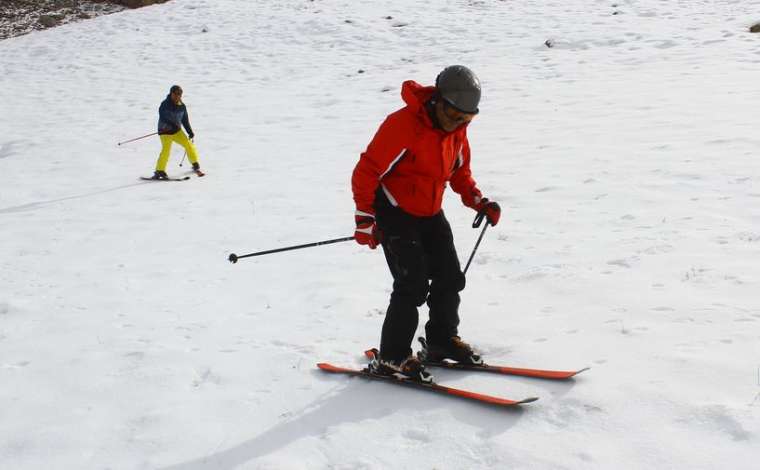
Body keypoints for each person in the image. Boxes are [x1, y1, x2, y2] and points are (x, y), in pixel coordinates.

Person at [351, 65, 502, 382]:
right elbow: (366, 171)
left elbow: (460, 173)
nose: (460, 124)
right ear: (439, 102)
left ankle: (440, 341)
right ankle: (392, 356)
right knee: (412, 283)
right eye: (456, 116)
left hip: (430, 210)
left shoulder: (456, 131)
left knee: (450, 277)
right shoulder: (403, 125)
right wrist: (365, 218)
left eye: (467, 119)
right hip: (395, 210)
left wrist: (479, 201)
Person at [152, 85, 203, 179]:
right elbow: (163, 117)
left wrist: (189, 131)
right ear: (171, 94)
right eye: (175, 94)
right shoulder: (165, 104)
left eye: (179, 94)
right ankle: (159, 170)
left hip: (176, 131)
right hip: (165, 131)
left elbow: (185, 120)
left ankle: (195, 163)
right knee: (166, 149)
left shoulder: (182, 106)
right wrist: (173, 125)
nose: (177, 96)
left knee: (188, 144)